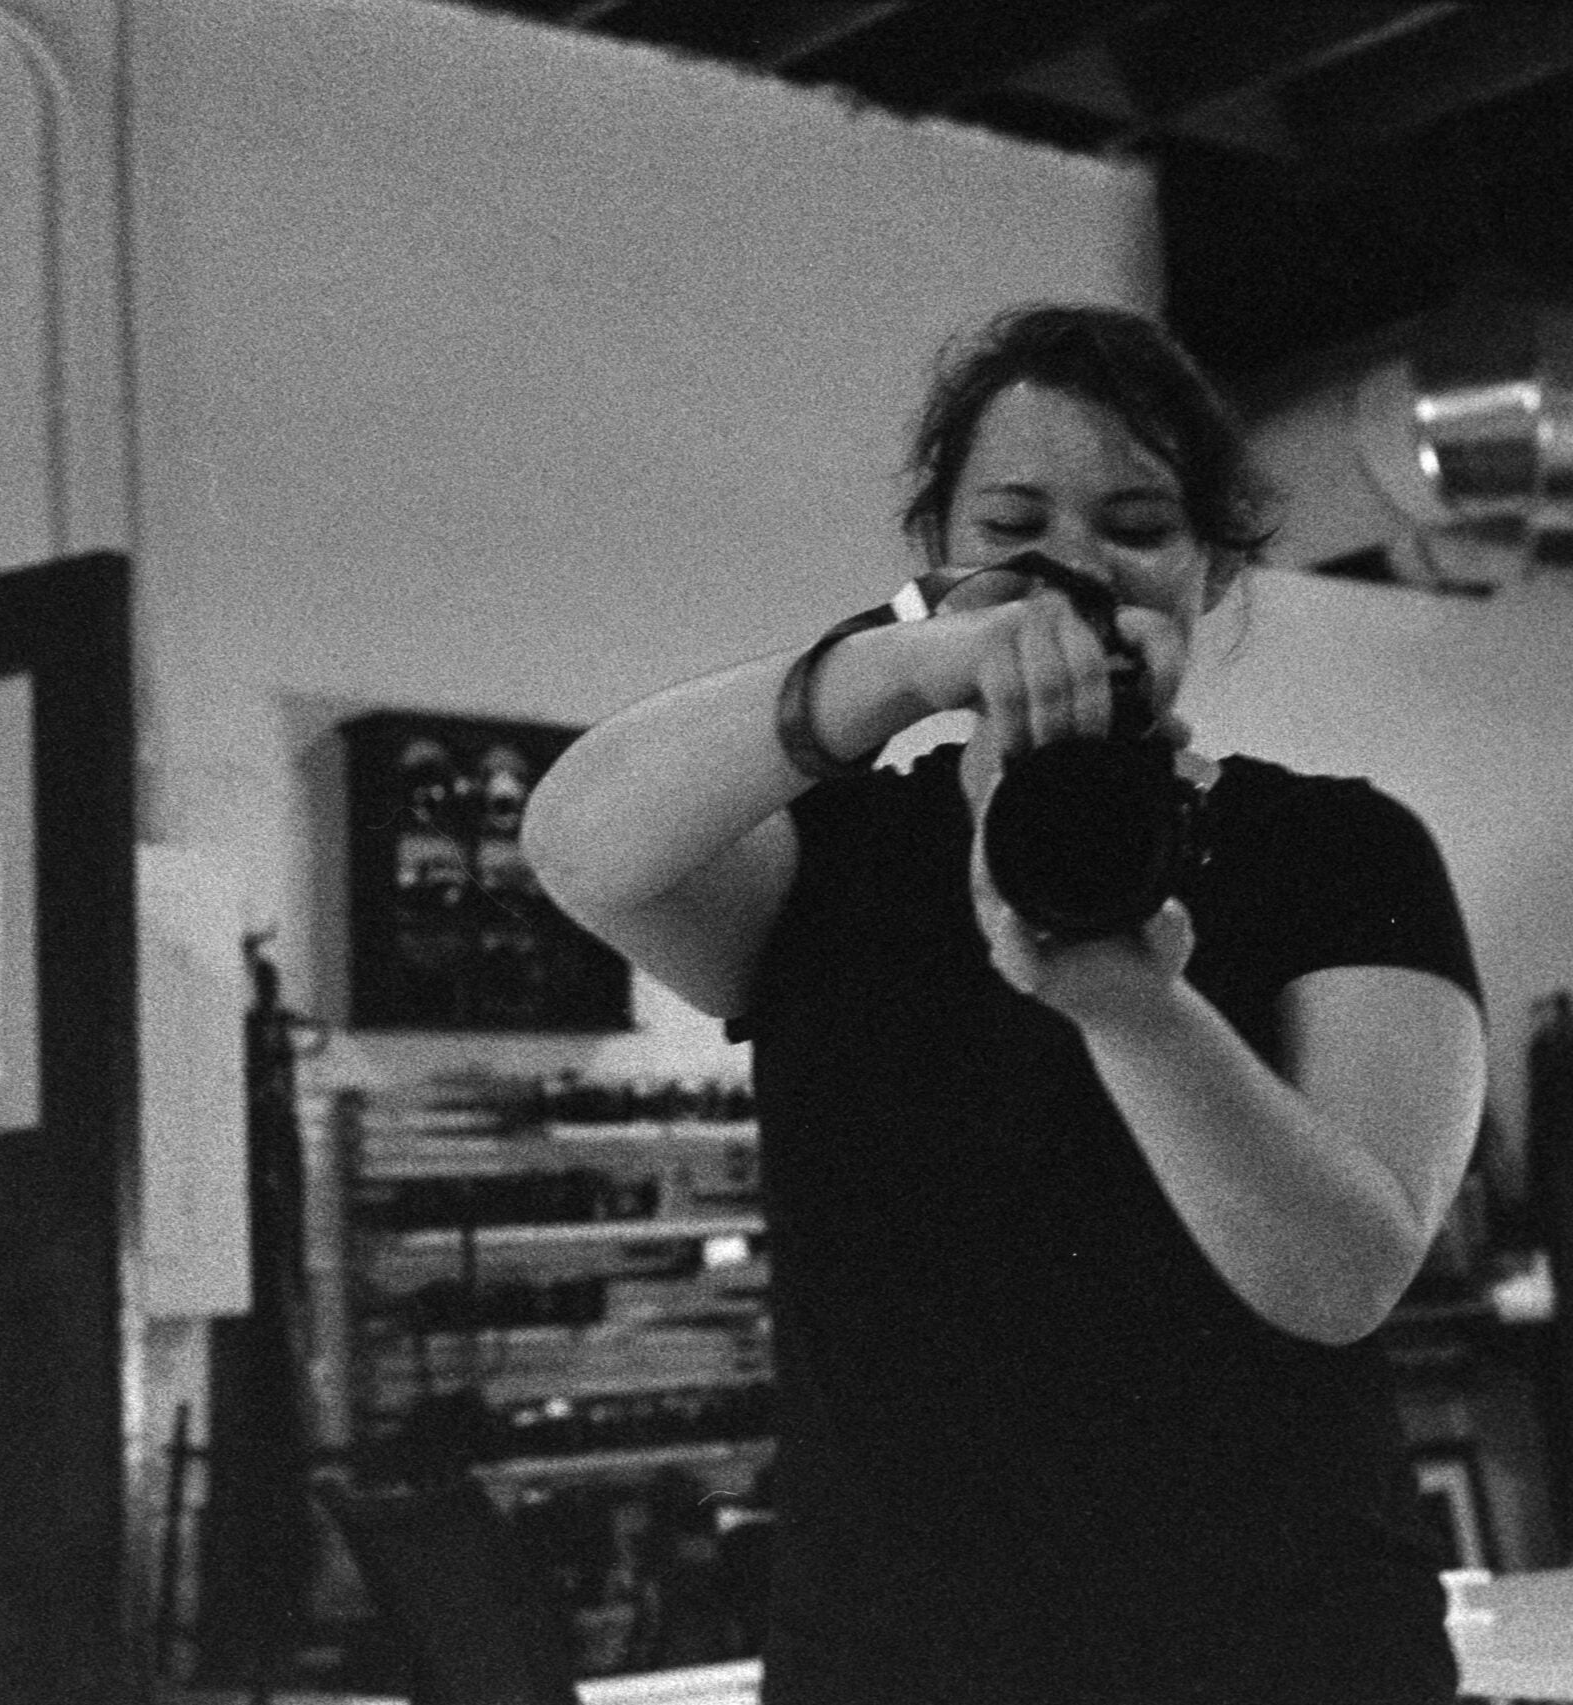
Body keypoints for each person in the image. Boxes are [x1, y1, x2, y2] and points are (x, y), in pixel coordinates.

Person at [523, 302, 1489, 1704]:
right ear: (935, 552)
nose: (1072, 571)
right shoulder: (827, 863)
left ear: (1214, 567)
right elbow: (576, 844)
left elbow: (1345, 1278)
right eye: (1014, 525)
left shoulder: (1342, 852)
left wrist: (1135, 1013)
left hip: (1283, 1662)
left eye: (1137, 524)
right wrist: (903, 662)